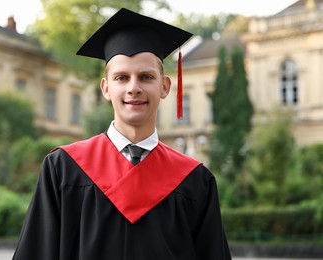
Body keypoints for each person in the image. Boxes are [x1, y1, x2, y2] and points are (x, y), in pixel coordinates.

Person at [12, 8, 232, 260]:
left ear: (164, 86)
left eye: (146, 77)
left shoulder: (195, 181)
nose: (133, 88)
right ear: (106, 88)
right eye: (121, 78)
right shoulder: (63, 168)